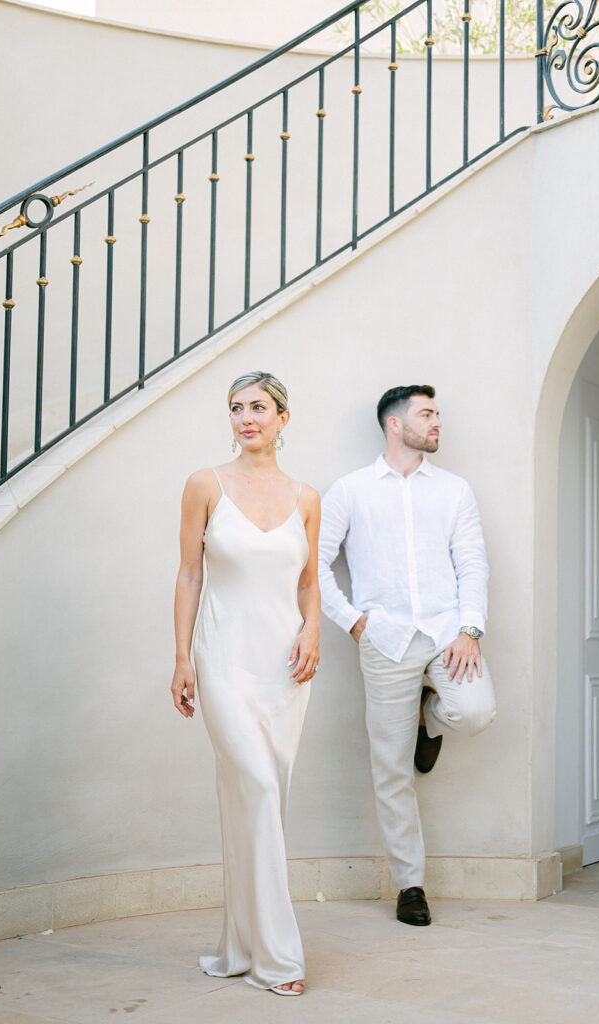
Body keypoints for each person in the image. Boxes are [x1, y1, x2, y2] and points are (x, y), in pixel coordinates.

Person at [318, 385, 496, 927]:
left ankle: (431, 721)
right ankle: (410, 885)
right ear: (395, 424)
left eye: (437, 412)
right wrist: (354, 622)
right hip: (385, 640)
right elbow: (314, 566)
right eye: (428, 413)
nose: (437, 421)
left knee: (476, 710)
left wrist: (470, 629)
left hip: (447, 633)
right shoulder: (350, 491)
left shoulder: (454, 490)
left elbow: (472, 563)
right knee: (391, 767)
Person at [171, 371, 321, 996]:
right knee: (257, 789)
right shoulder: (205, 484)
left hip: (284, 667)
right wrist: (182, 658)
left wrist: (313, 632)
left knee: (260, 801)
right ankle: (279, 961)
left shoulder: (307, 497)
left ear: (284, 418)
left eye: (258, 407)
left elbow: (308, 584)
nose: (245, 418)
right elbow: (188, 575)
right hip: (223, 657)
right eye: (236, 408)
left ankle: (238, 946)